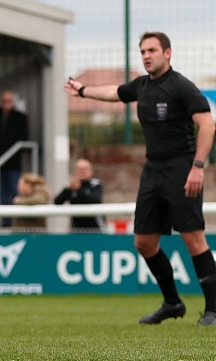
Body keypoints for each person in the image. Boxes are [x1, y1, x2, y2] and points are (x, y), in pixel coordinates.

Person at [65, 31, 216, 326]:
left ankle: (213, 310)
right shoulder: (143, 86)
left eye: (152, 50)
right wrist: (83, 91)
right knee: (144, 243)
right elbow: (115, 92)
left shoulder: (182, 87)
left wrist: (198, 166)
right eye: (142, 51)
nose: (146, 55)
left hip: (182, 170)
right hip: (152, 171)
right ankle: (173, 303)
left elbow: (207, 126)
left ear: (167, 53)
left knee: (193, 239)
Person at [0, 90, 29, 206]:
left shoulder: (20, 118)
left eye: (9, 101)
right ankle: (5, 221)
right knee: (1, 192)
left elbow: (24, 137)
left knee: (15, 190)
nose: (6, 104)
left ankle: (15, 220)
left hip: (14, 162)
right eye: (4, 101)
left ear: (13, 102)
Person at [53, 158, 104, 230]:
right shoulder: (70, 186)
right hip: (76, 228)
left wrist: (79, 189)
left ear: (91, 171)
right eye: (79, 169)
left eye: (84, 169)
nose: (82, 171)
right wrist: (68, 189)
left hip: (95, 227)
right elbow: (57, 202)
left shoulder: (96, 184)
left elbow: (95, 200)